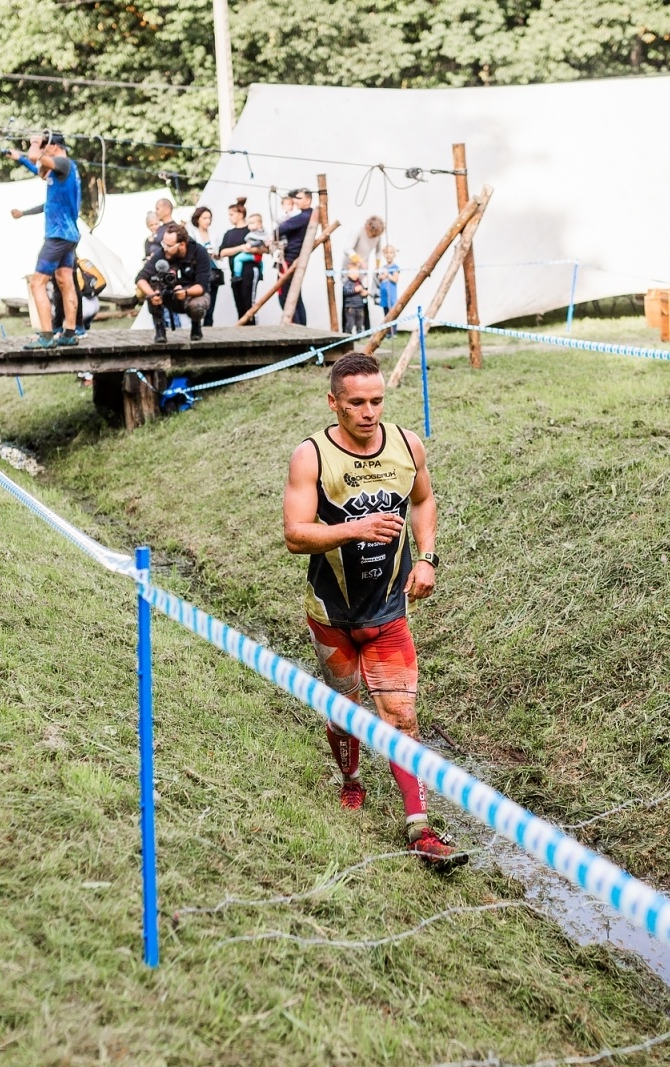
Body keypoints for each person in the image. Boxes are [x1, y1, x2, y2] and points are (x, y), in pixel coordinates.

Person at [282, 352, 463, 870]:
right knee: (345, 714)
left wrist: (426, 557)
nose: (368, 412)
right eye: (357, 402)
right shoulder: (311, 456)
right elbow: (295, 534)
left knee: (402, 718)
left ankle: (420, 829)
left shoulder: (407, 446)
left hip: (388, 612)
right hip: (331, 614)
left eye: (377, 401)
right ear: (333, 402)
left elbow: (423, 500)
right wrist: (355, 529)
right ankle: (351, 779)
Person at [8, 132, 81, 350]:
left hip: (57, 236)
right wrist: (19, 158)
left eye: (45, 146)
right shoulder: (65, 169)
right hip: (69, 235)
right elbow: (38, 169)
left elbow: (37, 158)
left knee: (37, 283)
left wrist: (34, 142)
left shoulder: (63, 163)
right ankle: (69, 333)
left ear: (54, 146)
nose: (42, 150)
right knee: (65, 280)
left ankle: (47, 336)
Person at [136, 222, 212, 343]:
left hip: (190, 294)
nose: (165, 248)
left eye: (169, 246)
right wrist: (152, 294)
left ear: (182, 245)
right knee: (152, 287)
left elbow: (202, 286)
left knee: (197, 306)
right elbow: (140, 278)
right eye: (163, 244)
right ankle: (159, 329)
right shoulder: (162, 253)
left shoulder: (199, 253)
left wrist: (185, 292)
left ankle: (196, 325)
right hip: (167, 294)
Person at [274, 188, 314, 325]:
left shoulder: (304, 216)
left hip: (290, 258)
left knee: (285, 295)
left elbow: (280, 229)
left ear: (308, 200)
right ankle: (300, 325)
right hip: (294, 257)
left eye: (299, 198)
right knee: (295, 296)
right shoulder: (305, 216)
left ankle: (295, 325)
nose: (296, 201)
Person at [217, 198, 261, 324]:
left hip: (249, 271)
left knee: (249, 304)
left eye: (232, 214)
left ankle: (252, 327)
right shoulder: (229, 233)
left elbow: (263, 248)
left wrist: (250, 249)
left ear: (240, 214)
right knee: (239, 304)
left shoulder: (250, 230)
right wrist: (241, 248)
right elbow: (222, 252)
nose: (229, 217)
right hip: (235, 275)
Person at [189, 206, 222, 327]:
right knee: (198, 299)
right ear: (197, 219)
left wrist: (216, 253)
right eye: (204, 218)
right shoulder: (192, 234)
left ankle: (208, 324)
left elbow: (220, 252)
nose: (207, 221)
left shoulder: (215, 234)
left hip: (213, 270)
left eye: (209, 218)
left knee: (212, 301)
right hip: (198, 271)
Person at [341, 256, 369, 334]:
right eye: (353, 272)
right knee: (350, 323)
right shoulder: (347, 283)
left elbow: (362, 291)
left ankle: (359, 335)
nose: (355, 274)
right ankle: (348, 335)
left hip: (360, 307)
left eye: (356, 272)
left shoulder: (359, 282)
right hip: (351, 308)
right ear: (348, 274)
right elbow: (346, 291)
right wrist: (354, 290)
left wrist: (364, 293)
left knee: (359, 323)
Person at [377, 245, 400, 336]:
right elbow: (380, 278)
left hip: (391, 295)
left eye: (390, 253)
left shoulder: (395, 267)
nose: (388, 255)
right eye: (386, 253)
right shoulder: (384, 267)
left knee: (392, 314)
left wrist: (387, 275)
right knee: (386, 314)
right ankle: (387, 332)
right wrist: (381, 277)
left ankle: (393, 332)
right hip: (384, 295)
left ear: (394, 254)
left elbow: (395, 279)